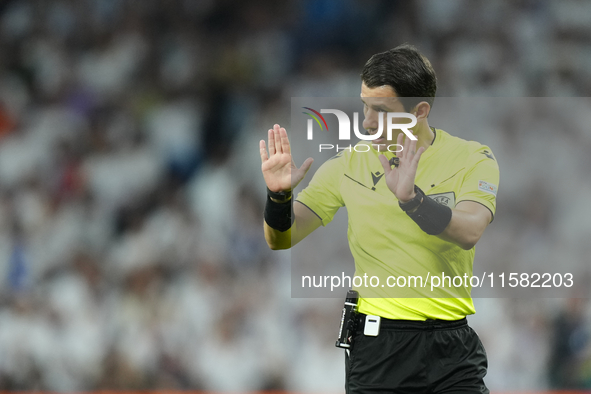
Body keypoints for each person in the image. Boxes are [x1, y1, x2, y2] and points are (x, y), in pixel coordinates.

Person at [259, 44, 499, 393]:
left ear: (419, 111)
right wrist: (279, 196)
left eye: (381, 110)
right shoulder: (346, 165)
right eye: (364, 106)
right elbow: (281, 238)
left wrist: (414, 201)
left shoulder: (472, 158)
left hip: (451, 350)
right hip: (377, 348)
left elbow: (470, 230)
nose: (367, 122)